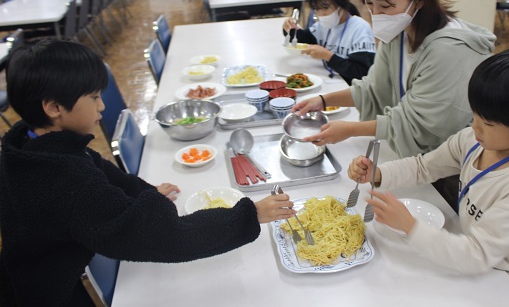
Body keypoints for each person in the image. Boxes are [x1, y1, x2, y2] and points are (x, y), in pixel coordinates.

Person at [0, 39, 296, 306]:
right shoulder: (62, 179)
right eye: (92, 98)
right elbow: (168, 238)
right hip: (47, 293)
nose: (102, 106)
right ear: (53, 107)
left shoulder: (33, 142)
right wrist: (249, 214)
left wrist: (145, 192)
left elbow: (103, 172)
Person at [348, 48, 509, 306]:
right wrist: (380, 172)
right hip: (474, 259)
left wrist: (410, 225)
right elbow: (424, 167)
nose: (475, 127)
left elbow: (477, 255)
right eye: (475, 115)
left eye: (488, 123)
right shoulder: (474, 140)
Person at [293, 0, 495, 158]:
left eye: (386, 5)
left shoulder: (449, 50)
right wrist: (323, 101)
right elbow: (373, 88)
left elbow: (418, 124)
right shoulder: (399, 30)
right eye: (370, 4)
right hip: (418, 160)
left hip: (450, 161)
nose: (376, 14)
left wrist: (351, 130)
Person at [283, 0, 376, 84]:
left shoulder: (360, 29)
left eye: (325, 7)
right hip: (330, 80)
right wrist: (289, 28)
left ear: (343, 2)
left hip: (351, 90)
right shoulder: (324, 26)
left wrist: (328, 56)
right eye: (316, 9)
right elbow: (303, 39)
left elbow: (361, 73)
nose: (321, 14)